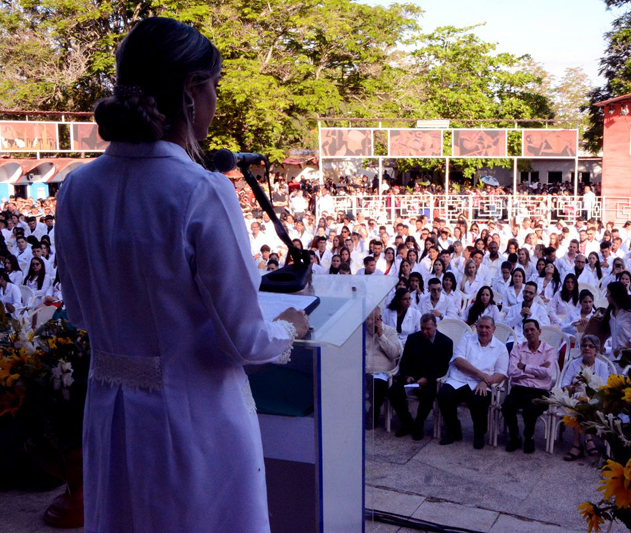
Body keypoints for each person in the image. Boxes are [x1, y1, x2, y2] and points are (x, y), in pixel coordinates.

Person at [57, 18, 309, 533]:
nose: (216, 98)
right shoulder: (200, 190)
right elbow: (245, 342)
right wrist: (289, 328)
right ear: (191, 92)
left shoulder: (76, 189)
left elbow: (80, 314)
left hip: (111, 417)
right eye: (214, 86)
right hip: (195, 423)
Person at [437, 316, 509, 449]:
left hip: (481, 384)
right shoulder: (467, 339)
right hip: (459, 379)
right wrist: (481, 375)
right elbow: (458, 361)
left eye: (487, 327)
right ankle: (454, 429)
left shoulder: (500, 348)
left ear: (494, 329)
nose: (483, 330)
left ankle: (479, 434)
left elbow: (501, 374)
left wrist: (486, 382)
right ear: (476, 327)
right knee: (443, 395)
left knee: (480, 399)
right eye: (481, 327)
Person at [388, 314, 453, 440]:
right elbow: (405, 361)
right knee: (393, 392)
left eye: (428, 329)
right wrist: (407, 376)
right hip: (413, 377)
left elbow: (443, 368)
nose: (424, 331)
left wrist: (427, 379)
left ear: (435, 326)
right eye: (422, 328)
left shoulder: (445, 342)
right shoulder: (413, 338)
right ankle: (407, 422)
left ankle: (419, 423)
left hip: (430, 379)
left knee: (428, 394)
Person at [501, 319, 557, 454]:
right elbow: (512, 372)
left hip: (540, 391)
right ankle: (515, 437)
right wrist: (537, 372)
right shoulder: (518, 349)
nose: (529, 332)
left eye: (532, 329)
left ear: (539, 331)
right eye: (526, 330)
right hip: (519, 389)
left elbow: (548, 373)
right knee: (507, 407)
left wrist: (525, 368)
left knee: (530, 410)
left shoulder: (549, 350)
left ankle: (528, 437)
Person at [561, 335, 610, 460]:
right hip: (574, 397)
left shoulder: (602, 366)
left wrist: (586, 393)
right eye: (584, 346)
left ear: (596, 350)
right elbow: (564, 383)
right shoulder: (574, 364)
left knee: (585, 405)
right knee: (579, 405)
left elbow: (603, 388)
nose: (587, 348)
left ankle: (579, 444)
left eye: (590, 346)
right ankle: (584, 441)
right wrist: (572, 389)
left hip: (595, 399)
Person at [364, 307, 403, 430]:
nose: (370, 323)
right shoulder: (360, 333)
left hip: (382, 372)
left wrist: (381, 336)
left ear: (379, 319)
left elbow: (395, 353)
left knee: (377, 383)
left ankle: (373, 414)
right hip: (363, 371)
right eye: (368, 320)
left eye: (374, 320)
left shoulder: (390, 331)